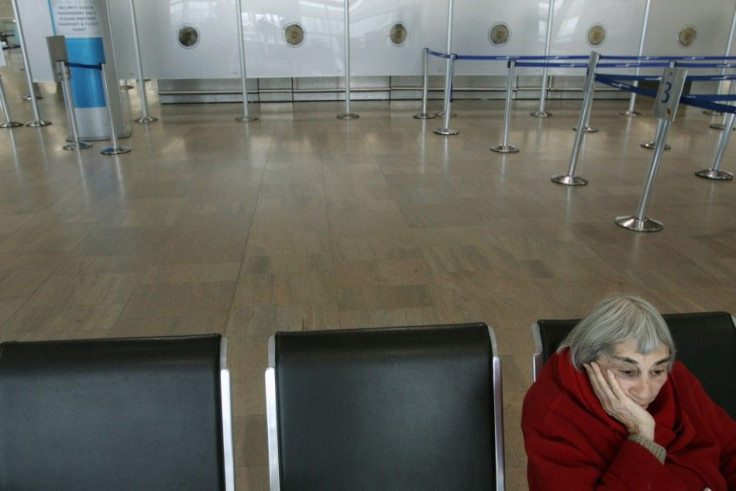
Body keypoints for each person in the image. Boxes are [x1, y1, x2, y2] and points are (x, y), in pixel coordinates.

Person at [522, 295, 736, 490]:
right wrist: (643, 436)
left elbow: (731, 448)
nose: (646, 391)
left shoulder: (677, 380)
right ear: (590, 362)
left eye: (658, 370)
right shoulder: (553, 413)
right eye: (627, 371)